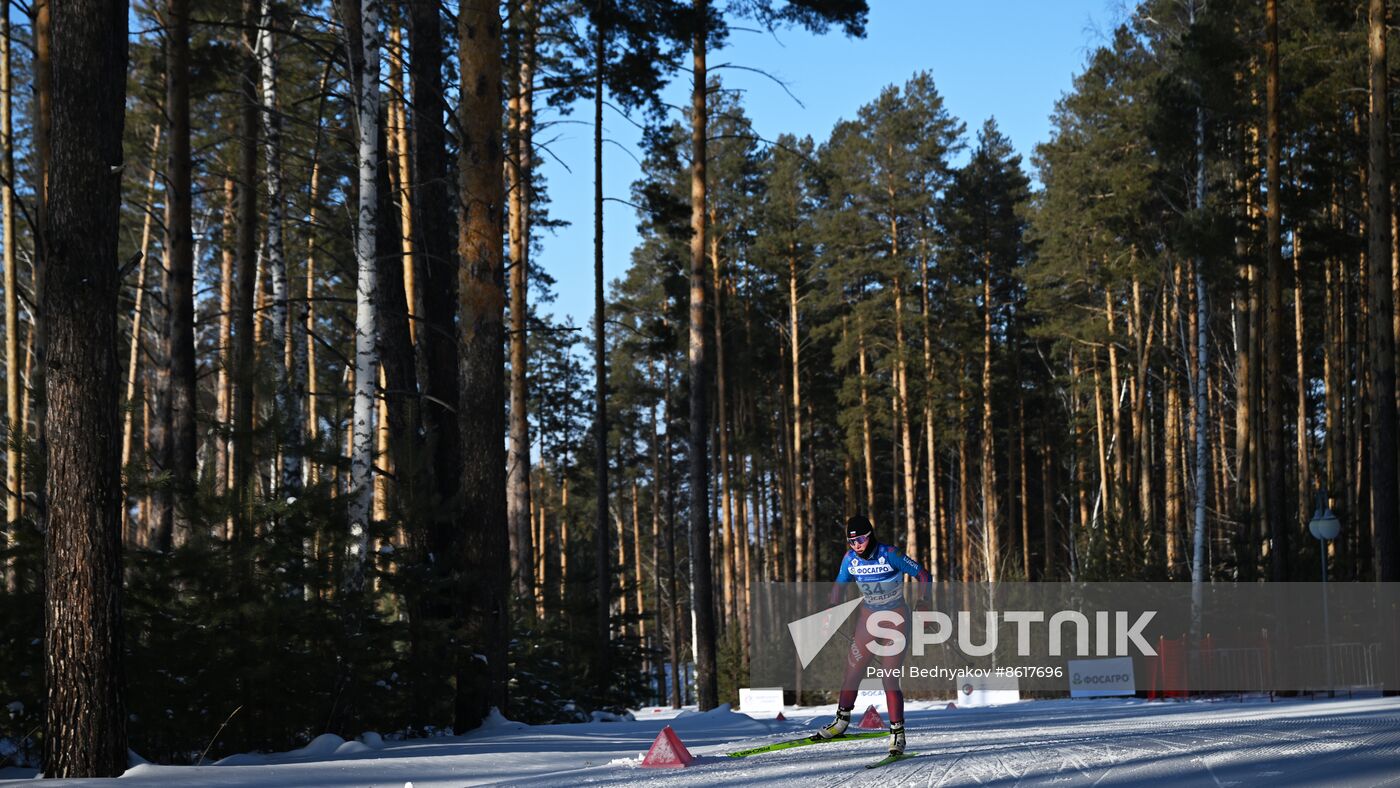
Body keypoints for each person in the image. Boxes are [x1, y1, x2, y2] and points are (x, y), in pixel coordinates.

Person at [816, 515, 930, 756]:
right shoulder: (850, 560)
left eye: (861, 540)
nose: (856, 545)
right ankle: (841, 722)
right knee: (852, 672)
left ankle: (897, 735)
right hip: (868, 621)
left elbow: (923, 575)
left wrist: (924, 601)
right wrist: (829, 611)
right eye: (851, 541)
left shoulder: (891, 554)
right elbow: (838, 587)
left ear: (870, 536)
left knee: (888, 679)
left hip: (895, 621)